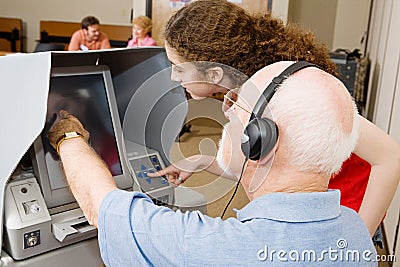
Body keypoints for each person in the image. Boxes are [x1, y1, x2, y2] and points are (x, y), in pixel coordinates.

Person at [47, 61, 377, 266]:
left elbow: (102, 206)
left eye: (239, 101)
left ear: (258, 138)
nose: (226, 108)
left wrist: (68, 136)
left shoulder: (219, 250)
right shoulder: (355, 232)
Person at [160, 0, 400, 237]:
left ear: (213, 73)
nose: (172, 76)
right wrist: (200, 161)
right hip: (306, 207)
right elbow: (262, 168)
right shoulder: (245, 94)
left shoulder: (296, 94)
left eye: (178, 67)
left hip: (342, 210)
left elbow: (390, 156)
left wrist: (360, 236)